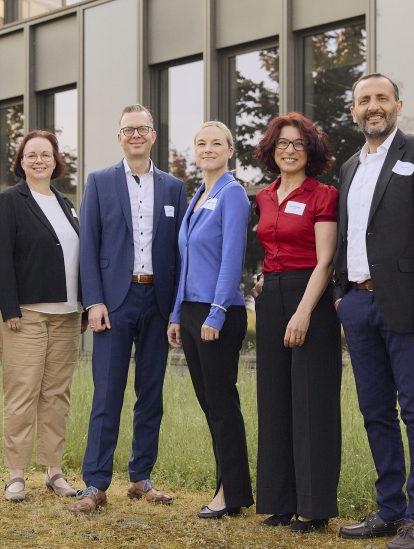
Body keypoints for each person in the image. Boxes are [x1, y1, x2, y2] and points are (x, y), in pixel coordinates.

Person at [334, 73, 414, 549]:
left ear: (398, 105)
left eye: (381, 98)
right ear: (354, 111)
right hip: (359, 305)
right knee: (375, 411)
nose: (373, 106)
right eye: (364, 100)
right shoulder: (348, 168)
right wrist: (343, 297)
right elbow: (349, 235)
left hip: (410, 306)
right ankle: (389, 510)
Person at [72, 104, 187, 514]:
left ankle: (140, 478)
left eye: (142, 128)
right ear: (118, 137)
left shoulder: (174, 187)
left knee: (151, 394)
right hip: (114, 302)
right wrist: (94, 302)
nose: (135, 135)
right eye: (128, 129)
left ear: (153, 135)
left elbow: (180, 251)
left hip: (157, 301)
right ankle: (95, 484)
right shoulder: (100, 182)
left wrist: (176, 311)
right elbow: (89, 247)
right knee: (107, 393)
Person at [250, 113, 342, 532]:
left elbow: (324, 260)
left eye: (298, 144)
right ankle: (279, 502)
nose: (289, 150)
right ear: (272, 150)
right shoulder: (265, 196)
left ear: (311, 151)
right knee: (274, 399)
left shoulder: (323, 194)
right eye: (282, 143)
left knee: (311, 402)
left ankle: (314, 508)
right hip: (271, 298)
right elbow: (271, 245)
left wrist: (303, 311)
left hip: (311, 299)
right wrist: (262, 280)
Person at [0, 130, 87, 502]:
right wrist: (9, 308)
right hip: (25, 314)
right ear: (21, 161)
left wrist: (82, 304)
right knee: (22, 393)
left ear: (56, 160)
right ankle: (16, 474)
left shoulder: (66, 203)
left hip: (65, 316)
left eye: (46, 154)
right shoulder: (10, 201)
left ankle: (53, 470)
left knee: (57, 394)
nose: (39, 160)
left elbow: (79, 257)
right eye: (32, 155)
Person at [167, 121, 253, 519]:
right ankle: (229, 486)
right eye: (201, 143)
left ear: (230, 150)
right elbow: (186, 264)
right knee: (209, 404)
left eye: (216, 142)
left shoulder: (232, 194)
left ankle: (230, 492)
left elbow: (232, 258)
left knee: (221, 404)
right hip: (191, 311)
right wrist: (175, 314)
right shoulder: (198, 194)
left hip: (218, 312)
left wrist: (217, 312)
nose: (207, 148)